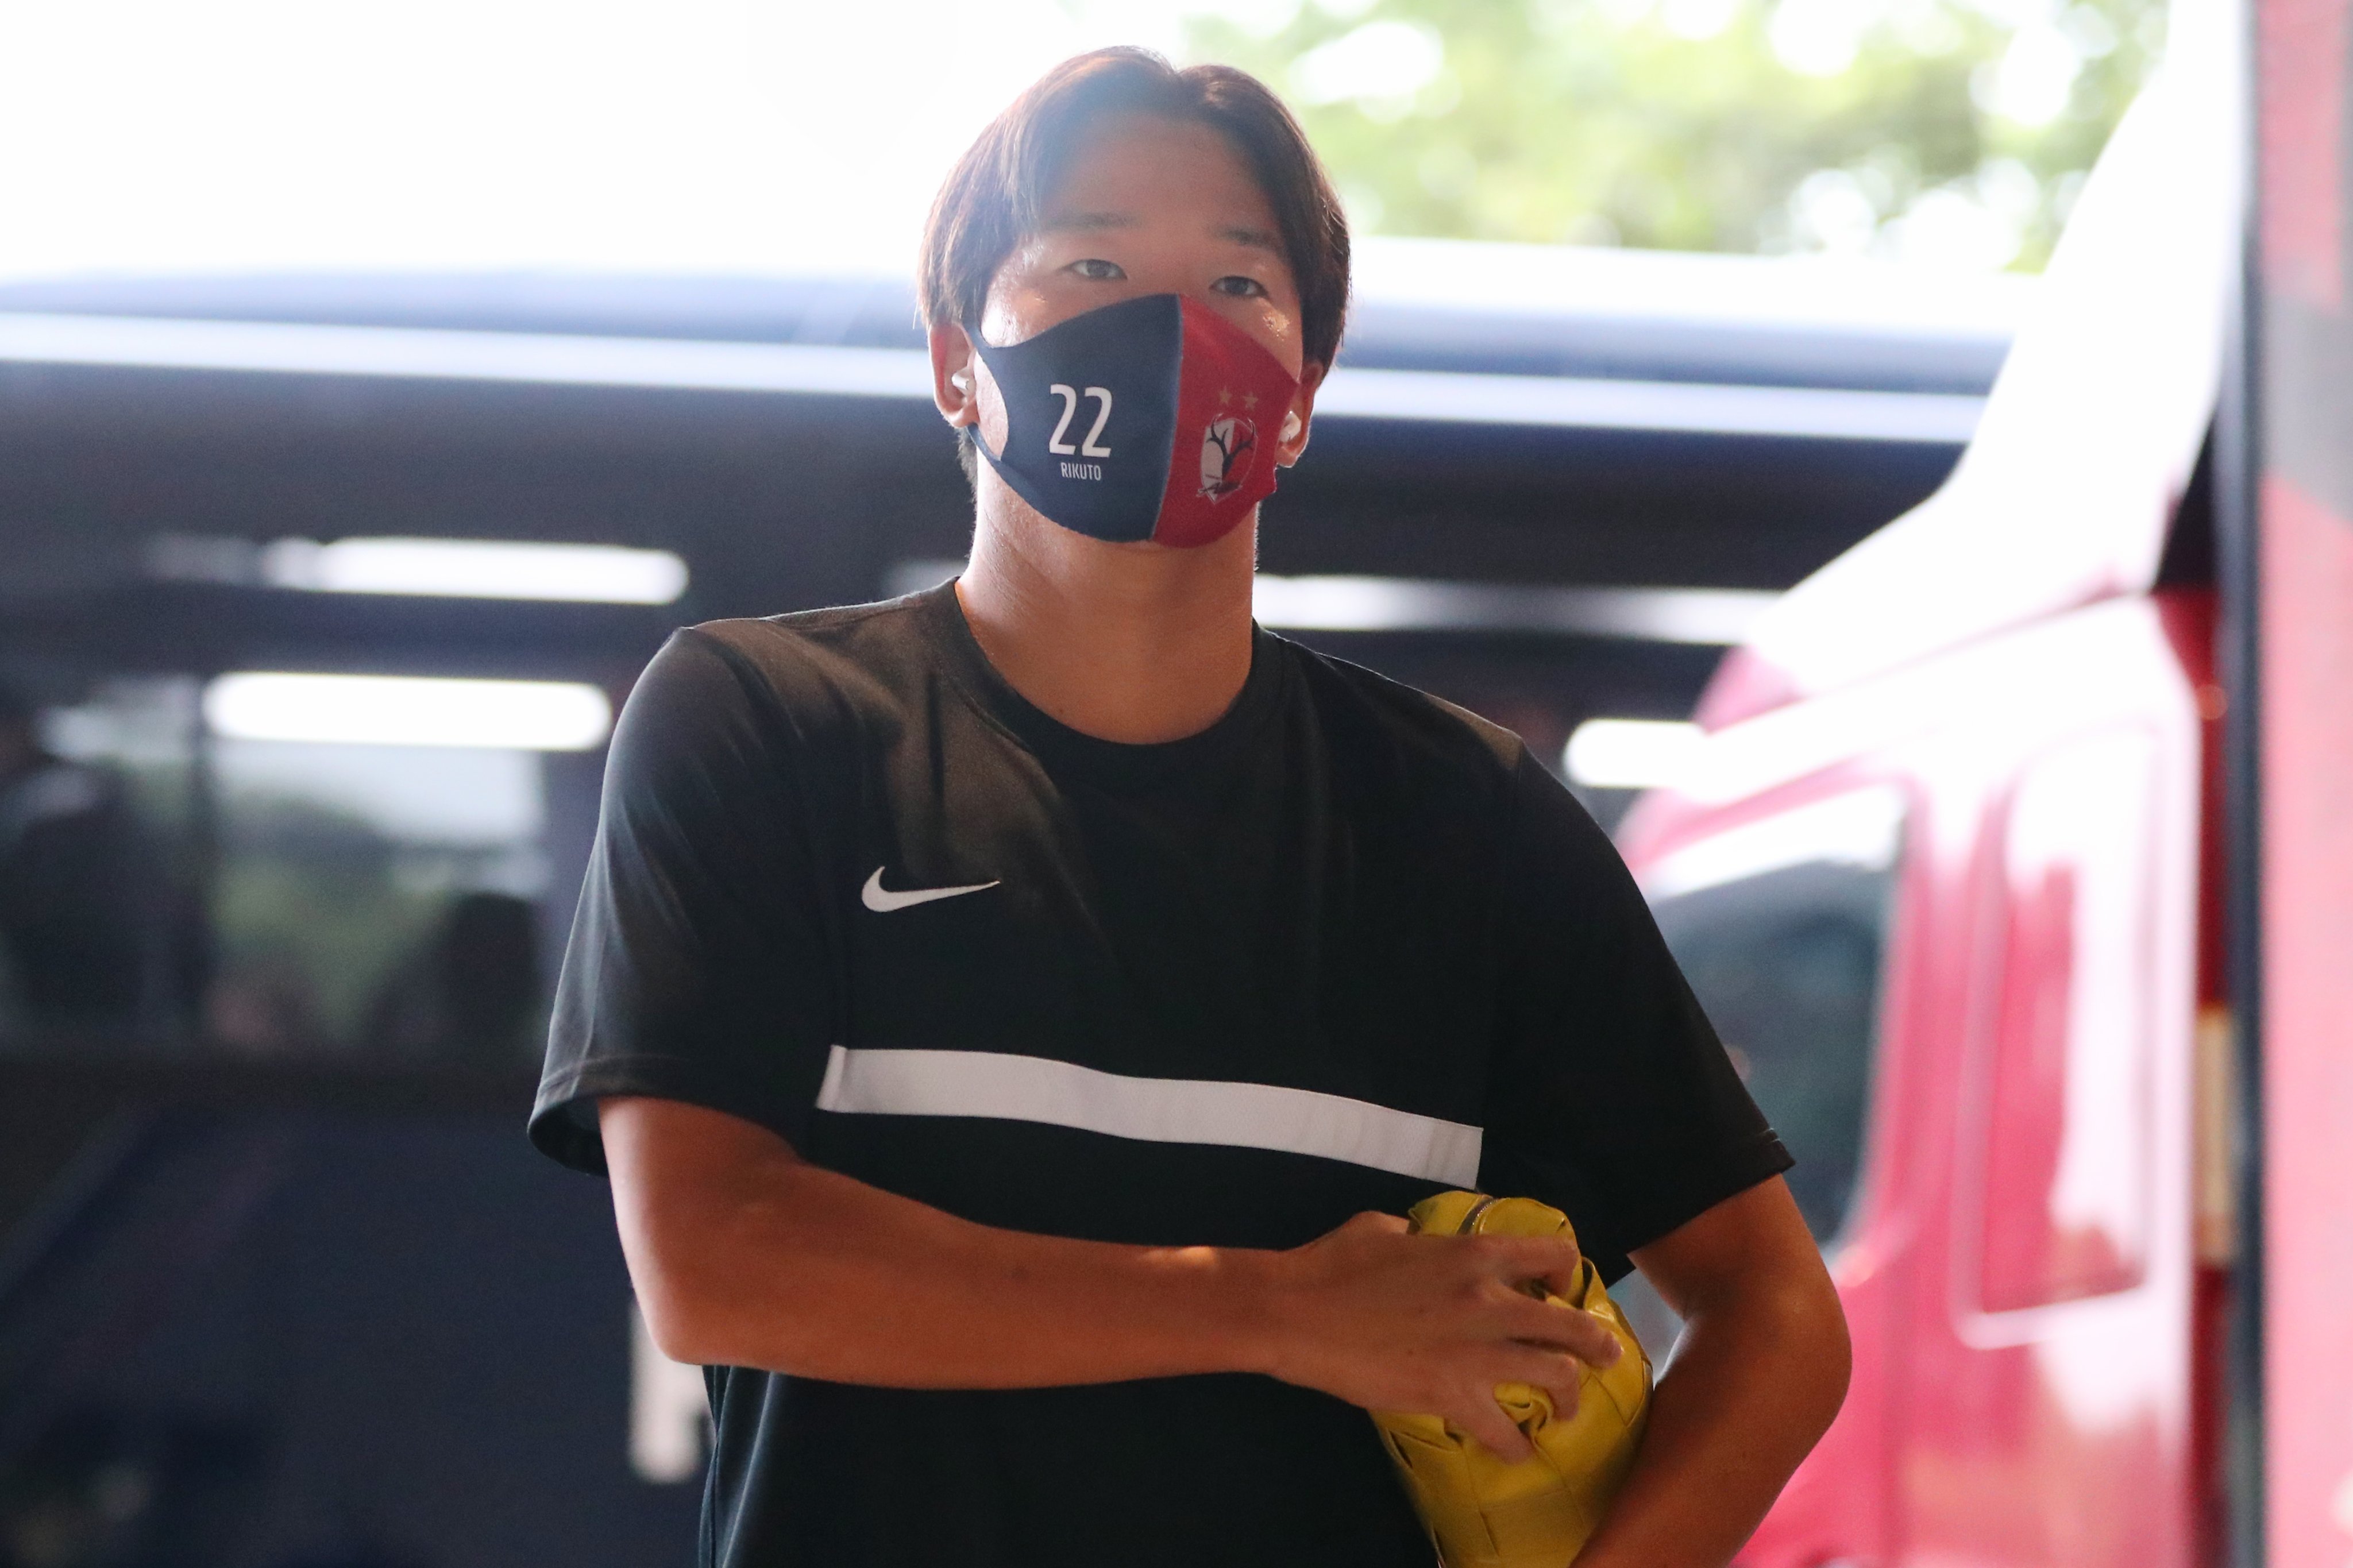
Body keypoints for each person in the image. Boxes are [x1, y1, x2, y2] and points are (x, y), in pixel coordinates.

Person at [530, 48, 1849, 1568]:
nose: (1171, 328)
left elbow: (1777, 1310)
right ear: (958, 363)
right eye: (1093, 265)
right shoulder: (766, 722)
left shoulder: (1467, 821)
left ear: (1300, 402)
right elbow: (719, 1259)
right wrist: (1281, 1310)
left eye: (1239, 285)